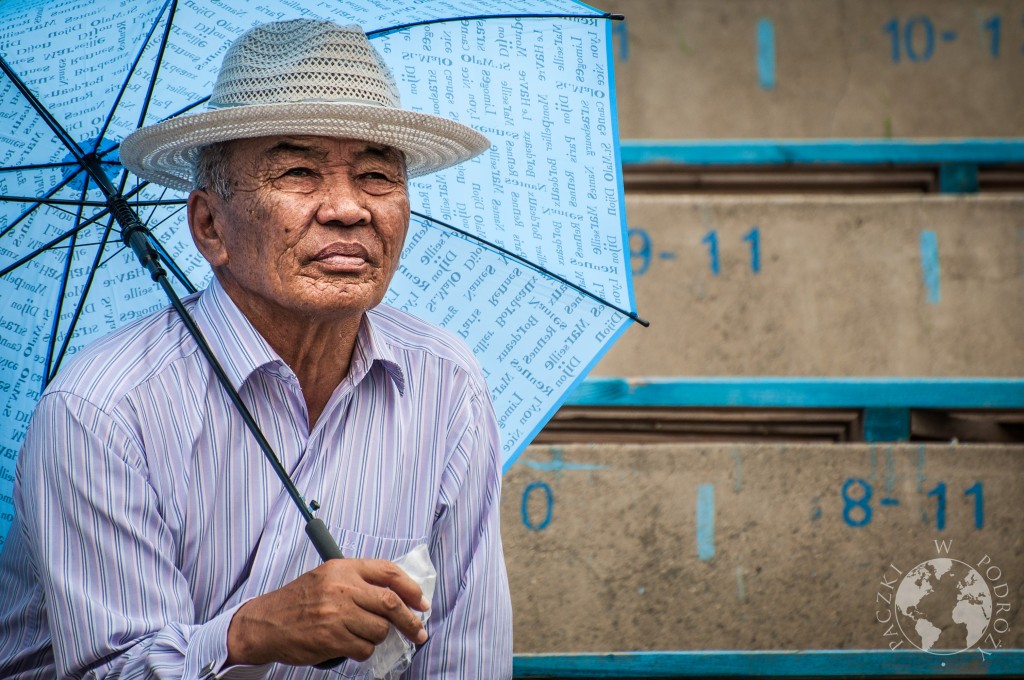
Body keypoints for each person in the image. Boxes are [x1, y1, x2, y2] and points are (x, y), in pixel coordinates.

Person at [0, 20, 512, 679]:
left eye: (377, 175)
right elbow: (110, 669)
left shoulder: (446, 382)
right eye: (298, 172)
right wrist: (251, 632)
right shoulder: (103, 409)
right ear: (210, 225)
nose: (348, 208)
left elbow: (462, 658)